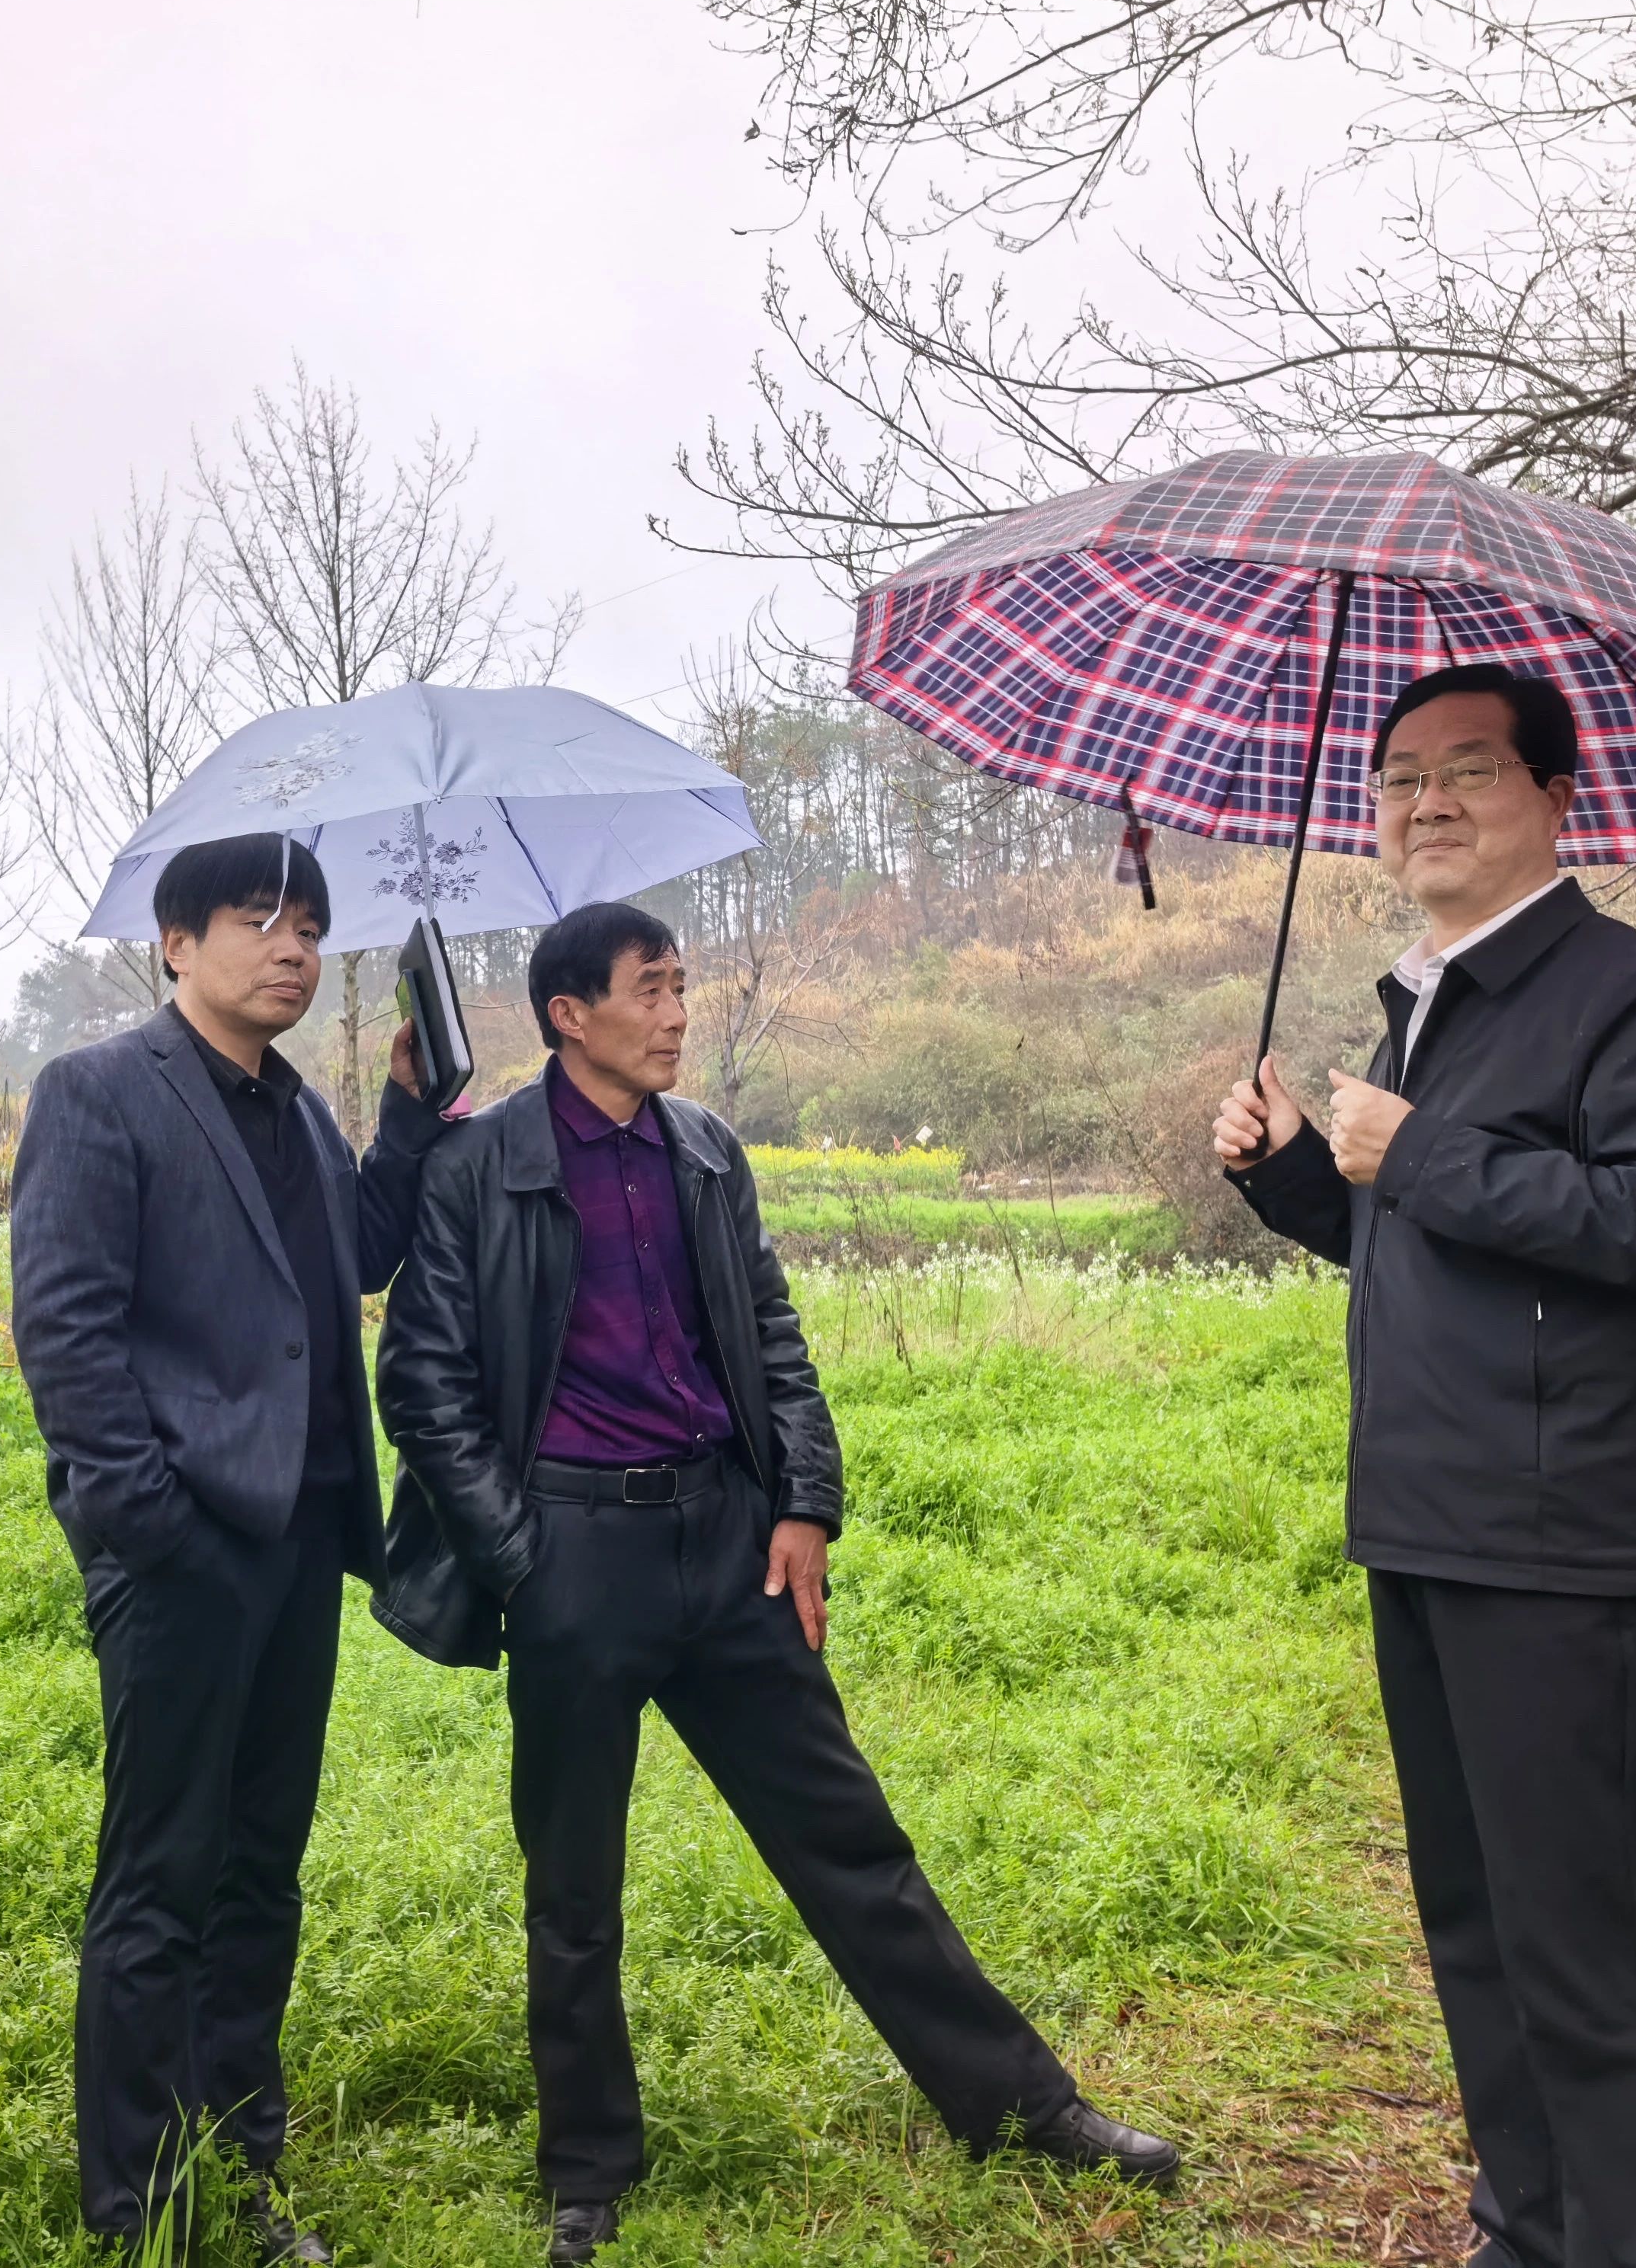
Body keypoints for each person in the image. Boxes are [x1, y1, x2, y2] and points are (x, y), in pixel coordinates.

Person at [375, 900, 1180, 2268]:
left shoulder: (704, 1150)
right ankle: (588, 2171)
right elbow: (423, 1386)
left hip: (728, 1545)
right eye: (651, 989)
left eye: (682, 984)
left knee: (852, 1843)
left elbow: (772, 1336)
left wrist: (805, 1503)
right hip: (575, 1556)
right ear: (570, 1014)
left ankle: (1025, 2111)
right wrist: (524, 1562)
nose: (678, 1012)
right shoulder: (481, 1167)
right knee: (573, 1886)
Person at [1212, 664, 1636, 2268]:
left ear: (1554, 798)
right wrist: (1298, 1177)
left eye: (1468, 769)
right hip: (1433, 1527)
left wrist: (1425, 1153)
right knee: (1481, 1932)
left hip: (1573, 1545)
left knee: (1593, 1950)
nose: (1424, 802)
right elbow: (1435, 1251)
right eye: (1397, 778)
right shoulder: (1431, 1005)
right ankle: (1527, 2234)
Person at [8, 835, 450, 2261]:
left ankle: (239, 2169)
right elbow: (65, 1328)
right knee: (164, 1878)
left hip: (300, 1542)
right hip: (184, 1550)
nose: (294, 948)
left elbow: (357, 1254)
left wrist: (408, 1113)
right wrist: (149, 1524)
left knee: (261, 1868)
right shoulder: (99, 1092)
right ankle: (142, 2207)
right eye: (259, 919)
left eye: (310, 925)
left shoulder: (298, 1109)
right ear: (175, 944)